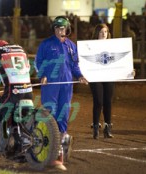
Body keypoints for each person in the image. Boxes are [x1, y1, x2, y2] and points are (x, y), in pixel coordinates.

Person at [34, 16, 88, 170]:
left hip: (67, 84)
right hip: (50, 83)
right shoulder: (46, 44)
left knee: (64, 112)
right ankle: (48, 145)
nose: (60, 31)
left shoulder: (71, 46)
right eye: (57, 28)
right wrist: (42, 75)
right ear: (54, 29)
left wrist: (80, 76)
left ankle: (61, 143)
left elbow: (74, 65)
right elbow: (38, 62)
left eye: (62, 28)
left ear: (67, 29)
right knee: (50, 112)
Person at [89, 24, 114, 139]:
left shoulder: (114, 46)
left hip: (108, 76)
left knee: (108, 102)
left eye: (106, 31)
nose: (104, 33)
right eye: (101, 31)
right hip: (95, 77)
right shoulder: (90, 46)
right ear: (97, 33)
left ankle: (107, 128)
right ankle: (95, 127)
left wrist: (128, 70)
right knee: (98, 101)